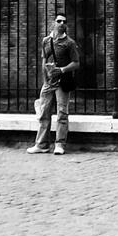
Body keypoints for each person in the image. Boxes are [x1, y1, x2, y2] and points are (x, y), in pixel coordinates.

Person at [28, 11, 78, 155]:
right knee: (44, 112)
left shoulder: (69, 43)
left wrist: (61, 70)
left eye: (64, 22)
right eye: (59, 21)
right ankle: (41, 144)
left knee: (62, 113)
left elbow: (76, 63)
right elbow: (44, 60)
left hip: (62, 82)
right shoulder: (46, 41)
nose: (62, 24)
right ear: (54, 23)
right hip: (49, 83)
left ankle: (60, 144)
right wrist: (45, 80)